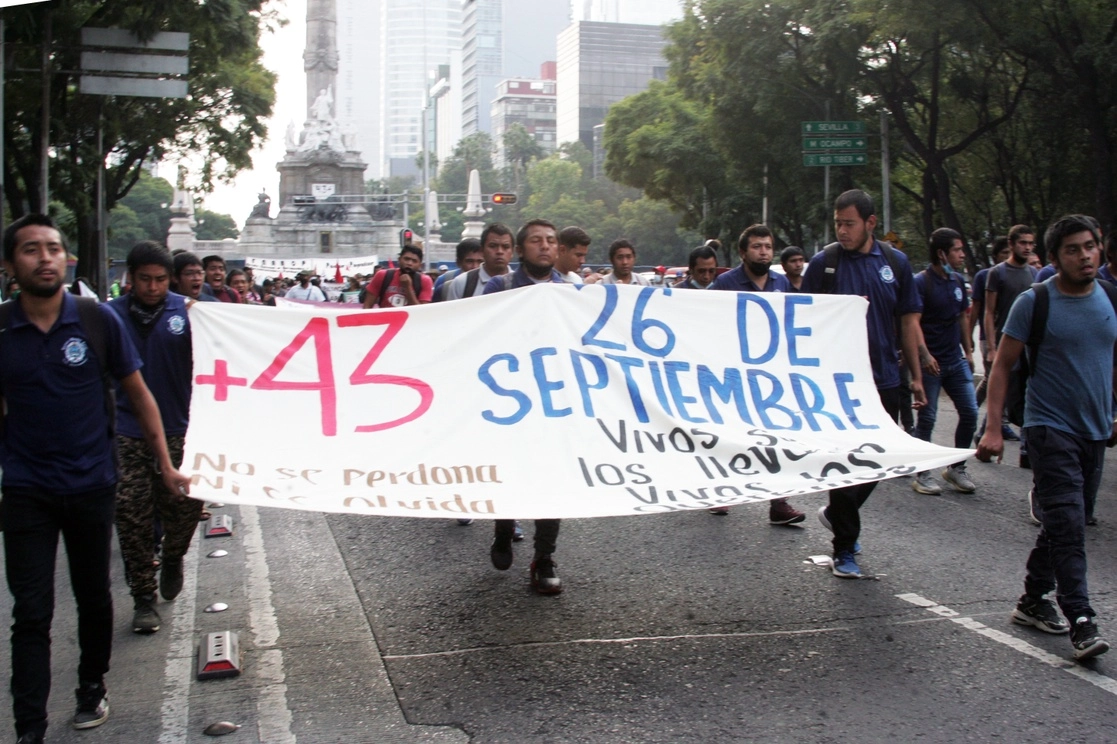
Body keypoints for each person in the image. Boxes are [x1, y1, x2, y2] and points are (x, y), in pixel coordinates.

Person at [0, 215, 191, 742]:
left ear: (67, 260)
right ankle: (29, 726)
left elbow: (138, 393)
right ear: (10, 265)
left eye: (53, 248)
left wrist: (168, 464)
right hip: (25, 491)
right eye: (31, 250)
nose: (44, 258)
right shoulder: (2, 330)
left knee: (92, 596)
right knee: (32, 612)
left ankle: (91, 685)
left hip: (89, 483)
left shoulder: (94, 321)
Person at [977, 214, 1114, 661]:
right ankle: (1080, 618)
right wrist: (994, 428)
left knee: (1065, 523)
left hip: (1095, 429)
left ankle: (1033, 598)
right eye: (1073, 249)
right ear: (1054, 259)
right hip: (1049, 428)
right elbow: (1003, 366)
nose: (1085, 255)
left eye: (1090, 246)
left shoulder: (1111, 297)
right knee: (1070, 525)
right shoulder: (1036, 302)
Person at [803, 190, 926, 579]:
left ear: (871, 223)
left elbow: (908, 321)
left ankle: (840, 512)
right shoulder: (824, 265)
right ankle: (844, 549)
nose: (842, 230)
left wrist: (917, 377)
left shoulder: (895, 263)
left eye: (849, 223)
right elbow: (803, 322)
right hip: (837, 384)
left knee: (882, 460)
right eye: (838, 223)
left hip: (885, 378)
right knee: (844, 465)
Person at [106, 242, 203, 635]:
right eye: (144, 279)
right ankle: (143, 598)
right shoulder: (106, 317)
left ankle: (175, 554)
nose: (152, 287)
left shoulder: (192, 314)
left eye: (160, 280)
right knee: (132, 518)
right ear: (130, 278)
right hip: (125, 432)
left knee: (184, 508)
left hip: (180, 428)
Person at [482, 219, 567, 595]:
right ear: (520, 250)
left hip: (556, 404)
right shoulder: (499, 288)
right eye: (536, 241)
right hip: (509, 401)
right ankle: (503, 526)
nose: (545, 247)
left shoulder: (572, 294)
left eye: (551, 241)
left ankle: (543, 558)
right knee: (511, 473)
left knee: (554, 480)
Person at [709, 225, 803, 524]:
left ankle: (779, 503)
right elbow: (701, 316)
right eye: (756, 247)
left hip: (772, 377)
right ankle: (720, 492)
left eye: (767, 246)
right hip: (733, 375)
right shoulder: (725, 283)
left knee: (776, 437)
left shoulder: (782, 283)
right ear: (742, 252)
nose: (763, 252)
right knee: (729, 434)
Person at [910, 228, 978, 495]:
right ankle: (922, 472)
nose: (962, 255)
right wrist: (924, 355)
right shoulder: (921, 283)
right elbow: (912, 322)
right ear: (942, 253)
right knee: (927, 418)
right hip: (930, 365)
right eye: (957, 250)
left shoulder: (958, 281)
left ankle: (955, 468)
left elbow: (962, 317)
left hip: (955, 360)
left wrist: (969, 351)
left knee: (971, 412)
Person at [979, 225, 1038, 448]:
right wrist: (992, 347)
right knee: (1002, 389)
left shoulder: (1033, 274)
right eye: (1023, 243)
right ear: (1012, 244)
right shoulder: (998, 273)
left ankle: (1026, 445)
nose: (1028, 248)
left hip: (1028, 346)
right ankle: (986, 431)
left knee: (1028, 393)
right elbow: (989, 312)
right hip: (1006, 341)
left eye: (1031, 244)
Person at [971, 237, 1011, 407]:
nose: (1008, 256)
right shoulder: (984, 276)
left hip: (1009, 335)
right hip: (989, 337)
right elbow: (977, 309)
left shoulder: (1022, 273)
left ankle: (998, 422)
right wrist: (968, 337)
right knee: (993, 379)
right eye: (1004, 253)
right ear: (995, 256)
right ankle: (973, 411)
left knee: (1004, 381)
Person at [445, 225, 513, 300]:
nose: (499, 251)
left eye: (505, 247)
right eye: (493, 246)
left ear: (513, 252)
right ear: (482, 250)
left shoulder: (522, 285)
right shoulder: (462, 283)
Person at [362, 245, 433, 307]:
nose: (409, 263)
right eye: (406, 259)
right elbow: (367, 306)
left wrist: (408, 288)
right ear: (399, 260)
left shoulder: (425, 281)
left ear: (420, 265)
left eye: (414, 261)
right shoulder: (382, 275)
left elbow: (421, 313)